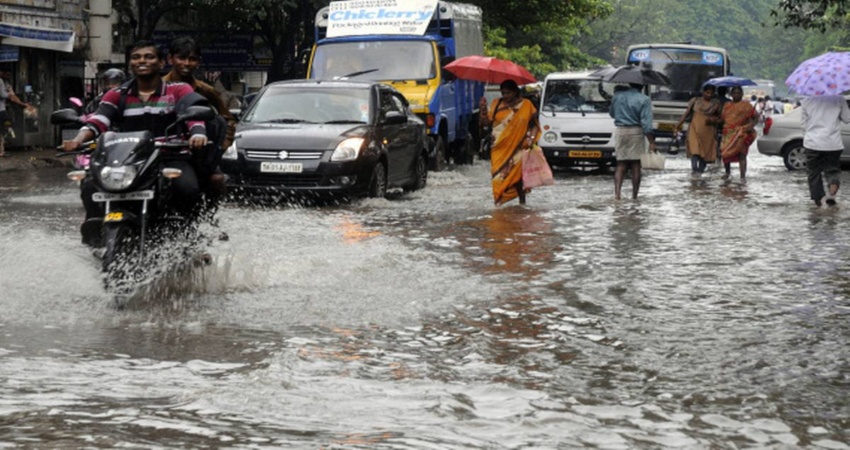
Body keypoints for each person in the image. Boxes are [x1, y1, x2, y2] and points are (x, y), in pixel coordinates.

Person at [62, 40, 210, 246]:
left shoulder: (177, 90)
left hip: (169, 156)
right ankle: (96, 233)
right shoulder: (116, 94)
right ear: (130, 63)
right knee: (89, 186)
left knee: (187, 188)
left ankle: (188, 238)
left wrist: (197, 133)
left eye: (149, 57)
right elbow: (98, 121)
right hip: (128, 160)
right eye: (136, 57)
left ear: (161, 63)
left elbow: (193, 116)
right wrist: (77, 140)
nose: (142, 61)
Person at [162, 36, 236, 197]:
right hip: (164, 150)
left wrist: (221, 146)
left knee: (216, 180)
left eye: (192, 59)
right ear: (170, 59)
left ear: (198, 62)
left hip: (200, 151)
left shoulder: (206, 91)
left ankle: (206, 217)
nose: (186, 64)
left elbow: (228, 119)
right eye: (181, 58)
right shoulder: (159, 87)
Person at [478, 79, 540, 206]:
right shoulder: (496, 104)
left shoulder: (526, 105)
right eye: (503, 93)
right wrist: (483, 110)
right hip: (498, 147)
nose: (505, 96)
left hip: (519, 146)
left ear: (515, 92)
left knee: (517, 177)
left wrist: (531, 139)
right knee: (498, 177)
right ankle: (499, 203)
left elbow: (534, 125)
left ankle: (522, 203)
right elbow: (485, 123)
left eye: (508, 93)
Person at [800, 95, 850, 207]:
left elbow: (803, 125)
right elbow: (847, 119)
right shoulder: (839, 99)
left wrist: (809, 135)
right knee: (832, 170)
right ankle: (831, 196)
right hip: (832, 143)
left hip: (812, 143)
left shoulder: (807, 100)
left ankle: (818, 203)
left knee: (813, 173)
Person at [609, 83, 655, 200]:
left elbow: (612, 114)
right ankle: (634, 196)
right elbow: (646, 124)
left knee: (621, 164)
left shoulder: (617, 96)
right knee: (636, 165)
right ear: (643, 86)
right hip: (636, 132)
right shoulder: (644, 99)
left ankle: (617, 195)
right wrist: (651, 142)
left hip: (620, 131)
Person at [675, 84, 721, 175]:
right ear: (703, 92)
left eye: (711, 93)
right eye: (707, 92)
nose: (709, 95)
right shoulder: (695, 101)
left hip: (708, 131)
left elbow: (721, 118)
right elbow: (686, 114)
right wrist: (677, 126)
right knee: (694, 150)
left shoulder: (716, 103)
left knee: (705, 153)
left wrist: (713, 120)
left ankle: (699, 173)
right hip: (694, 129)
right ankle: (694, 170)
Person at [719, 86, 758, 181]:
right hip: (728, 133)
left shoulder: (747, 106)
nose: (736, 95)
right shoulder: (727, 105)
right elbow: (723, 118)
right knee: (725, 153)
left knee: (742, 154)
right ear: (731, 94)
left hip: (741, 133)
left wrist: (750, 125)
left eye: (738, 93)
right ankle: (727, 172)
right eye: (734, 93)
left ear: (742, 94)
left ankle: (742, 177)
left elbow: (755, 117)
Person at [0, 70, 34, 157]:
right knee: (5, 126)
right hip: (1, 110)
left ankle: (2, 149)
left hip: (2, 109)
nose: (8, 76)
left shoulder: (6, 83)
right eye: (6, 74)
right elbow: (7, 96)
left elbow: (12, 95)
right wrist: (22, 104)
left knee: (3, 129)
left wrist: (22, 104)